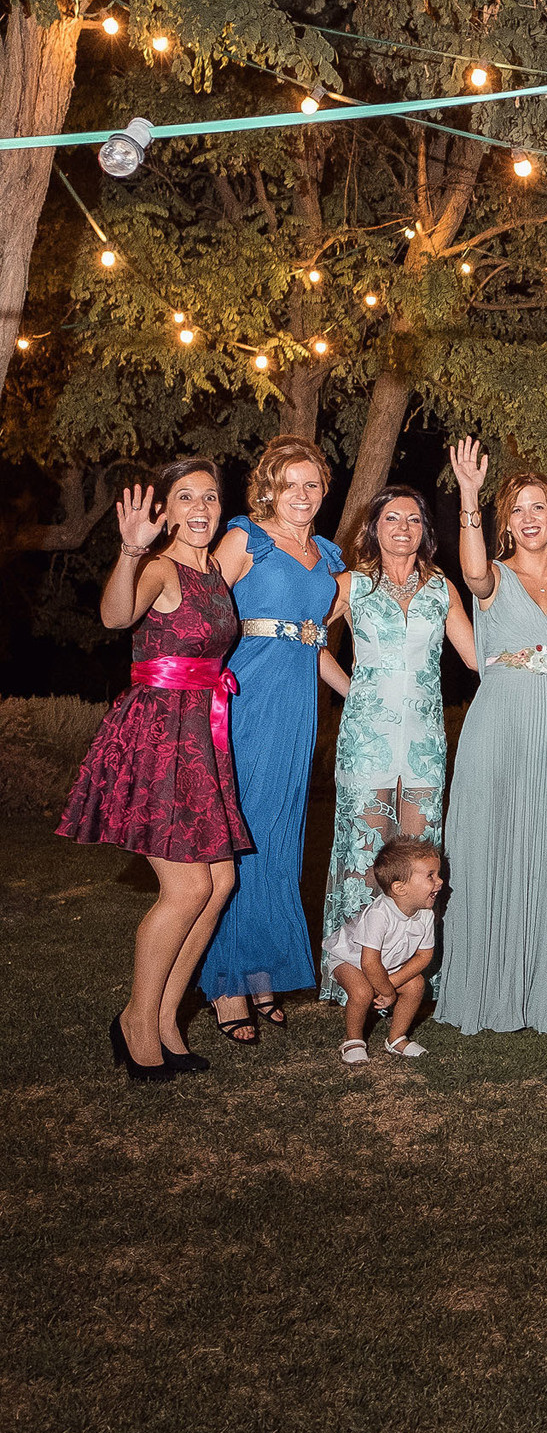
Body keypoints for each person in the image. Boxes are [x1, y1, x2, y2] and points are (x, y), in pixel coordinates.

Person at [60, 461, 253, 1083]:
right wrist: (128, 551)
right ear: (165, 511)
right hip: (158, 736)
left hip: (200, 735)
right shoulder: (160, 567)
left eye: (210, 497)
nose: (200, 508)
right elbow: (116, 617)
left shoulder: (214, 569)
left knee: (219, 883)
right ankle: (136, 1022)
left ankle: (167, 1019)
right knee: (187, 889)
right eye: (185, 497)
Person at [438, 444, 547, 1037]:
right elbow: (472, 572)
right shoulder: (494, 576)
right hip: (500, 720)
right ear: (505, 523)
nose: (529, 518)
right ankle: (486, 986)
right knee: (492, 843)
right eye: (518, 510)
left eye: (539, 508)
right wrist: (470, 496)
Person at [201, 435, 345, 1043]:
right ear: (268, 488)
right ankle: (226, 983)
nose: (302, 495)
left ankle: (261, 972)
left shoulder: (327, 555)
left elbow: (316, 636)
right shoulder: (246, 538)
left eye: (312, 484)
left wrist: (356, 691)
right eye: (290, 484)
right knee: (242, 837)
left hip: (298, 708)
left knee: (281, 840)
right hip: (247, 700)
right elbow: (201, 612)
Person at [318, 486, 474, 1010]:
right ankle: (356, 980)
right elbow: (308, 640)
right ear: (374, 527)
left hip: (425, 743)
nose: (403, 527)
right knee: (365, 855)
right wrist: (353, 690)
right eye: (391, 518)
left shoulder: (441, 589)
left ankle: (408, 978)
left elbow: (475, 658)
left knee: (420, 859)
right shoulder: (353, 584)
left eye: (413, 519)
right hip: (366, 742)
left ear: (424, 530)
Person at [326, 837, 444, 1065]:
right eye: (430, 876)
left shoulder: (426, 914)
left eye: (437, 874)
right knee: (362, 992)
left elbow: (424, 956)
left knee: (416, 984)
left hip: (385, 965)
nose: (440, 881)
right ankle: (353, 1040)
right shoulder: (379, 914)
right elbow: (369, 963)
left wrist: (391, 982)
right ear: (400, 888)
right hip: (350, 960)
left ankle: (396, 1039)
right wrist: (388, 992)